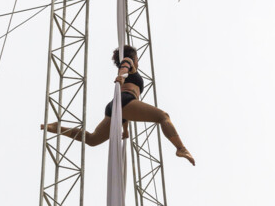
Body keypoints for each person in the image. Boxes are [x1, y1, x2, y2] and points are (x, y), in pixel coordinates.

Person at [40, 45, 195, 166]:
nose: (137, 62)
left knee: (93, 139)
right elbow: (125, 66)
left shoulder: (130, 71)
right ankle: (181, 148)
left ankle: (57, 128)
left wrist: (125, 129)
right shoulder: (129, 63)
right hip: (124, 101)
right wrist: (121, 76)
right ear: (133, 58)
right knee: (163, 116)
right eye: (137, 59)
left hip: (119, 106)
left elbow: (128, 112)